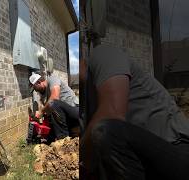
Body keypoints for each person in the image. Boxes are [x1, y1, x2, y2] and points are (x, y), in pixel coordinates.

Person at [80, 42, 189, 179]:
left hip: (178, 149)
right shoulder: (87, 104)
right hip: (143, 163)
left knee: (104, 131)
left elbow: (112, 114)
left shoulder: (103, 54)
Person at [29, 72, 81, 139]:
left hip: (75, 110)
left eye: (35, 88)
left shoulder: (52, 79)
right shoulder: (43, 95)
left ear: (39, 82)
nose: (36, 91)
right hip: (65, 117)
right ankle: (60, 137)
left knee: (54, 103)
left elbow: (54, 98)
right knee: (49, 116)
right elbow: (49, 112)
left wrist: (41, 112)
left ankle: (63, 140)